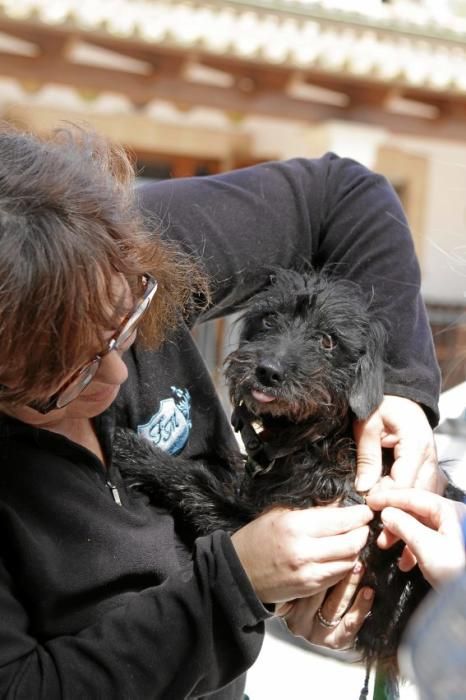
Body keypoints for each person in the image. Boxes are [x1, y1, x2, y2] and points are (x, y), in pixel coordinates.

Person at [0, 122, 443, 699]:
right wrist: (233, 587)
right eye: (68, 373)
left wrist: (398, 388)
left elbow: (345, 196)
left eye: (125, 325)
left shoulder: (98, 235)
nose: (115, 373)